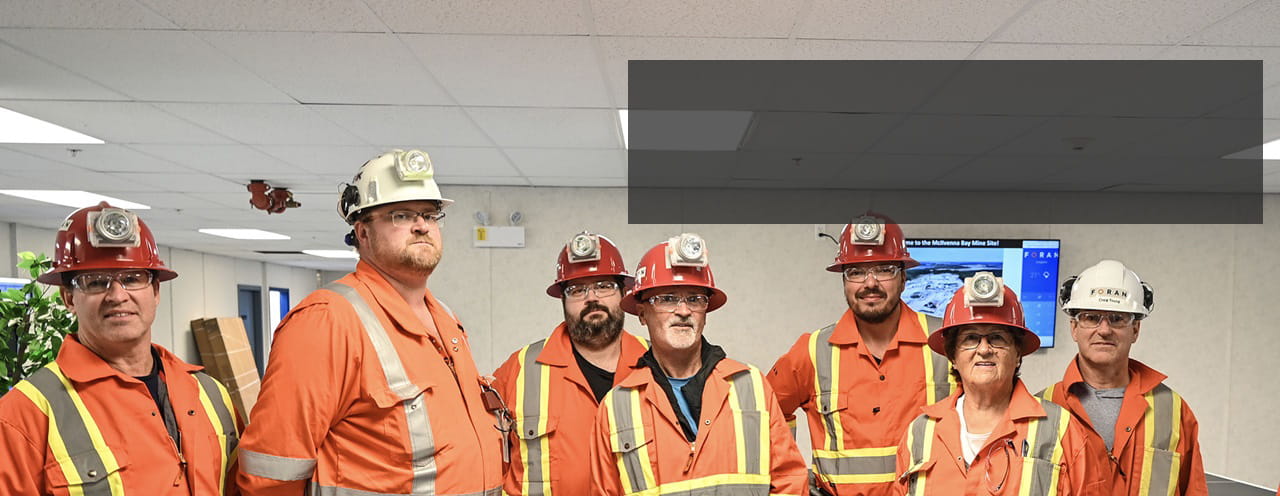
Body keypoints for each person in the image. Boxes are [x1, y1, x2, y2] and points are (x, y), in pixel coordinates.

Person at [237, 150, 504, 495]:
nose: (422, 225)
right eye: (400, 215)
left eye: (429, 214)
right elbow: (271, 472)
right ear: (362, 233)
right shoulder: (327, 321)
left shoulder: (445, 319)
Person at [0, 202, 241, 495]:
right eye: (95, 282)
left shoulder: (210, 394)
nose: (117, 295)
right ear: (69, 298)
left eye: (132, 279)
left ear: (155, 291)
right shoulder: (26, 413)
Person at [590, 233, 807, 495]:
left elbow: (789, 481)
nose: (683, 311)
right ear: (643, 314)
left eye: (694, 299)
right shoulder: (617, 408)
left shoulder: (751, 386)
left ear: (706, 311)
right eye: (668, 298)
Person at [768, 213, 954, 495]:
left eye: (884, 269)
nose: (870, 283)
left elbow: (988, 419)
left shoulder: (945, 344)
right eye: (856, 271)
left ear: (903, 278)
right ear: (844, 281)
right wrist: (791, 482)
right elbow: (765, 415)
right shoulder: (812, 351)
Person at [894, 272, 1106, 495]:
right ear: (953, 357)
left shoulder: (1061, 430)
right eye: (970, 339)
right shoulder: (919, 433)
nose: (984, 350)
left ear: (1017, 355)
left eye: (997, 338)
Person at [492, 231, 650, 495]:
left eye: (603, 285)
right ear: (563, 300)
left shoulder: (658, 365)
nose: (592, 297)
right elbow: (485, 457)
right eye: (578, 289)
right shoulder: (520, 369)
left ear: (624, 293)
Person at [1040, 260, 1207, 495]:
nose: (1105, 329)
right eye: (1091, 317)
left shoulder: (1172, 410)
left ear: (1135, 329)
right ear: (1074, 328)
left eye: (1117, 318)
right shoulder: (1040, 409)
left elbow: (1194, 490)